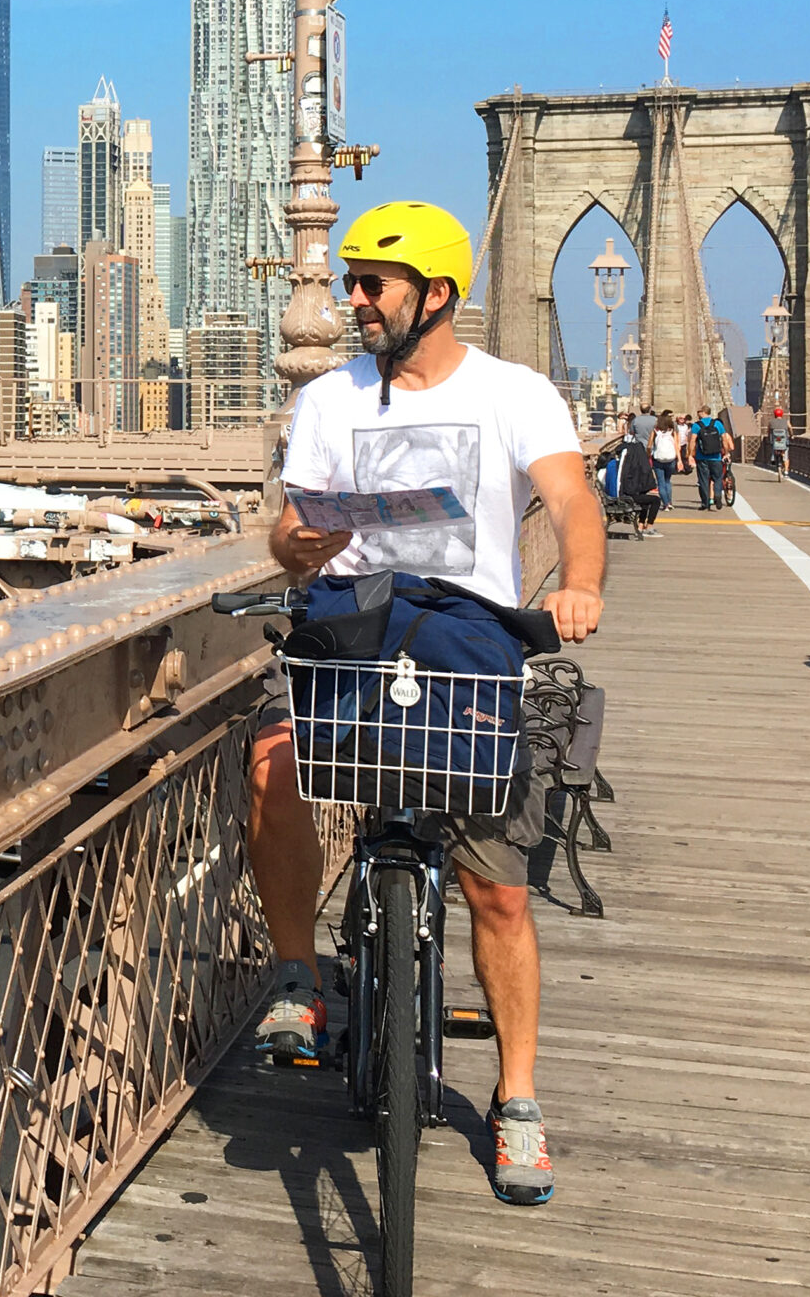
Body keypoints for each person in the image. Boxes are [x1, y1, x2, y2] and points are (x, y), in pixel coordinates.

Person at [245, 201, 604, 1209]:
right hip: (349, 626)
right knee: (271, 764)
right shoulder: (329, 401)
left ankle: (518, 1099)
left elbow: (572, 499)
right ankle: (294, 981)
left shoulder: (513, 392)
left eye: (372, 285)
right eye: (348, 281)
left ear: (435, 295)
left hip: (466, 635)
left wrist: (579, 580)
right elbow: (285, 532)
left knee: (496, 889)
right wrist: (297, 548)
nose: (349, 300)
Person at [692, 406, 730, 509]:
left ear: (703, 412)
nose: (698, 413)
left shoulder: (696, 425)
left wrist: (690, 455)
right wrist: (726, 453)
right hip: (716, 457)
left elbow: (692, 441)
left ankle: (705, 503)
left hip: (702, 457)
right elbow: (724, 440)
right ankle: (717, 495)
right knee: (718, 478)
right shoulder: (717, 424)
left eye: (699, 412)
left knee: (703, 480)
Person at [649, 406, 681, 524]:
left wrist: (649, 454)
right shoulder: (673, 429)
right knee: (667, 481)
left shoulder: (656, 429)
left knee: (661, 483)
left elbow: (649, 445)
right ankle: (670, 502)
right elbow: (677, 446)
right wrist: (680, 460)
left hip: (658, 459)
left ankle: (666, 504)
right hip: (671, 459)